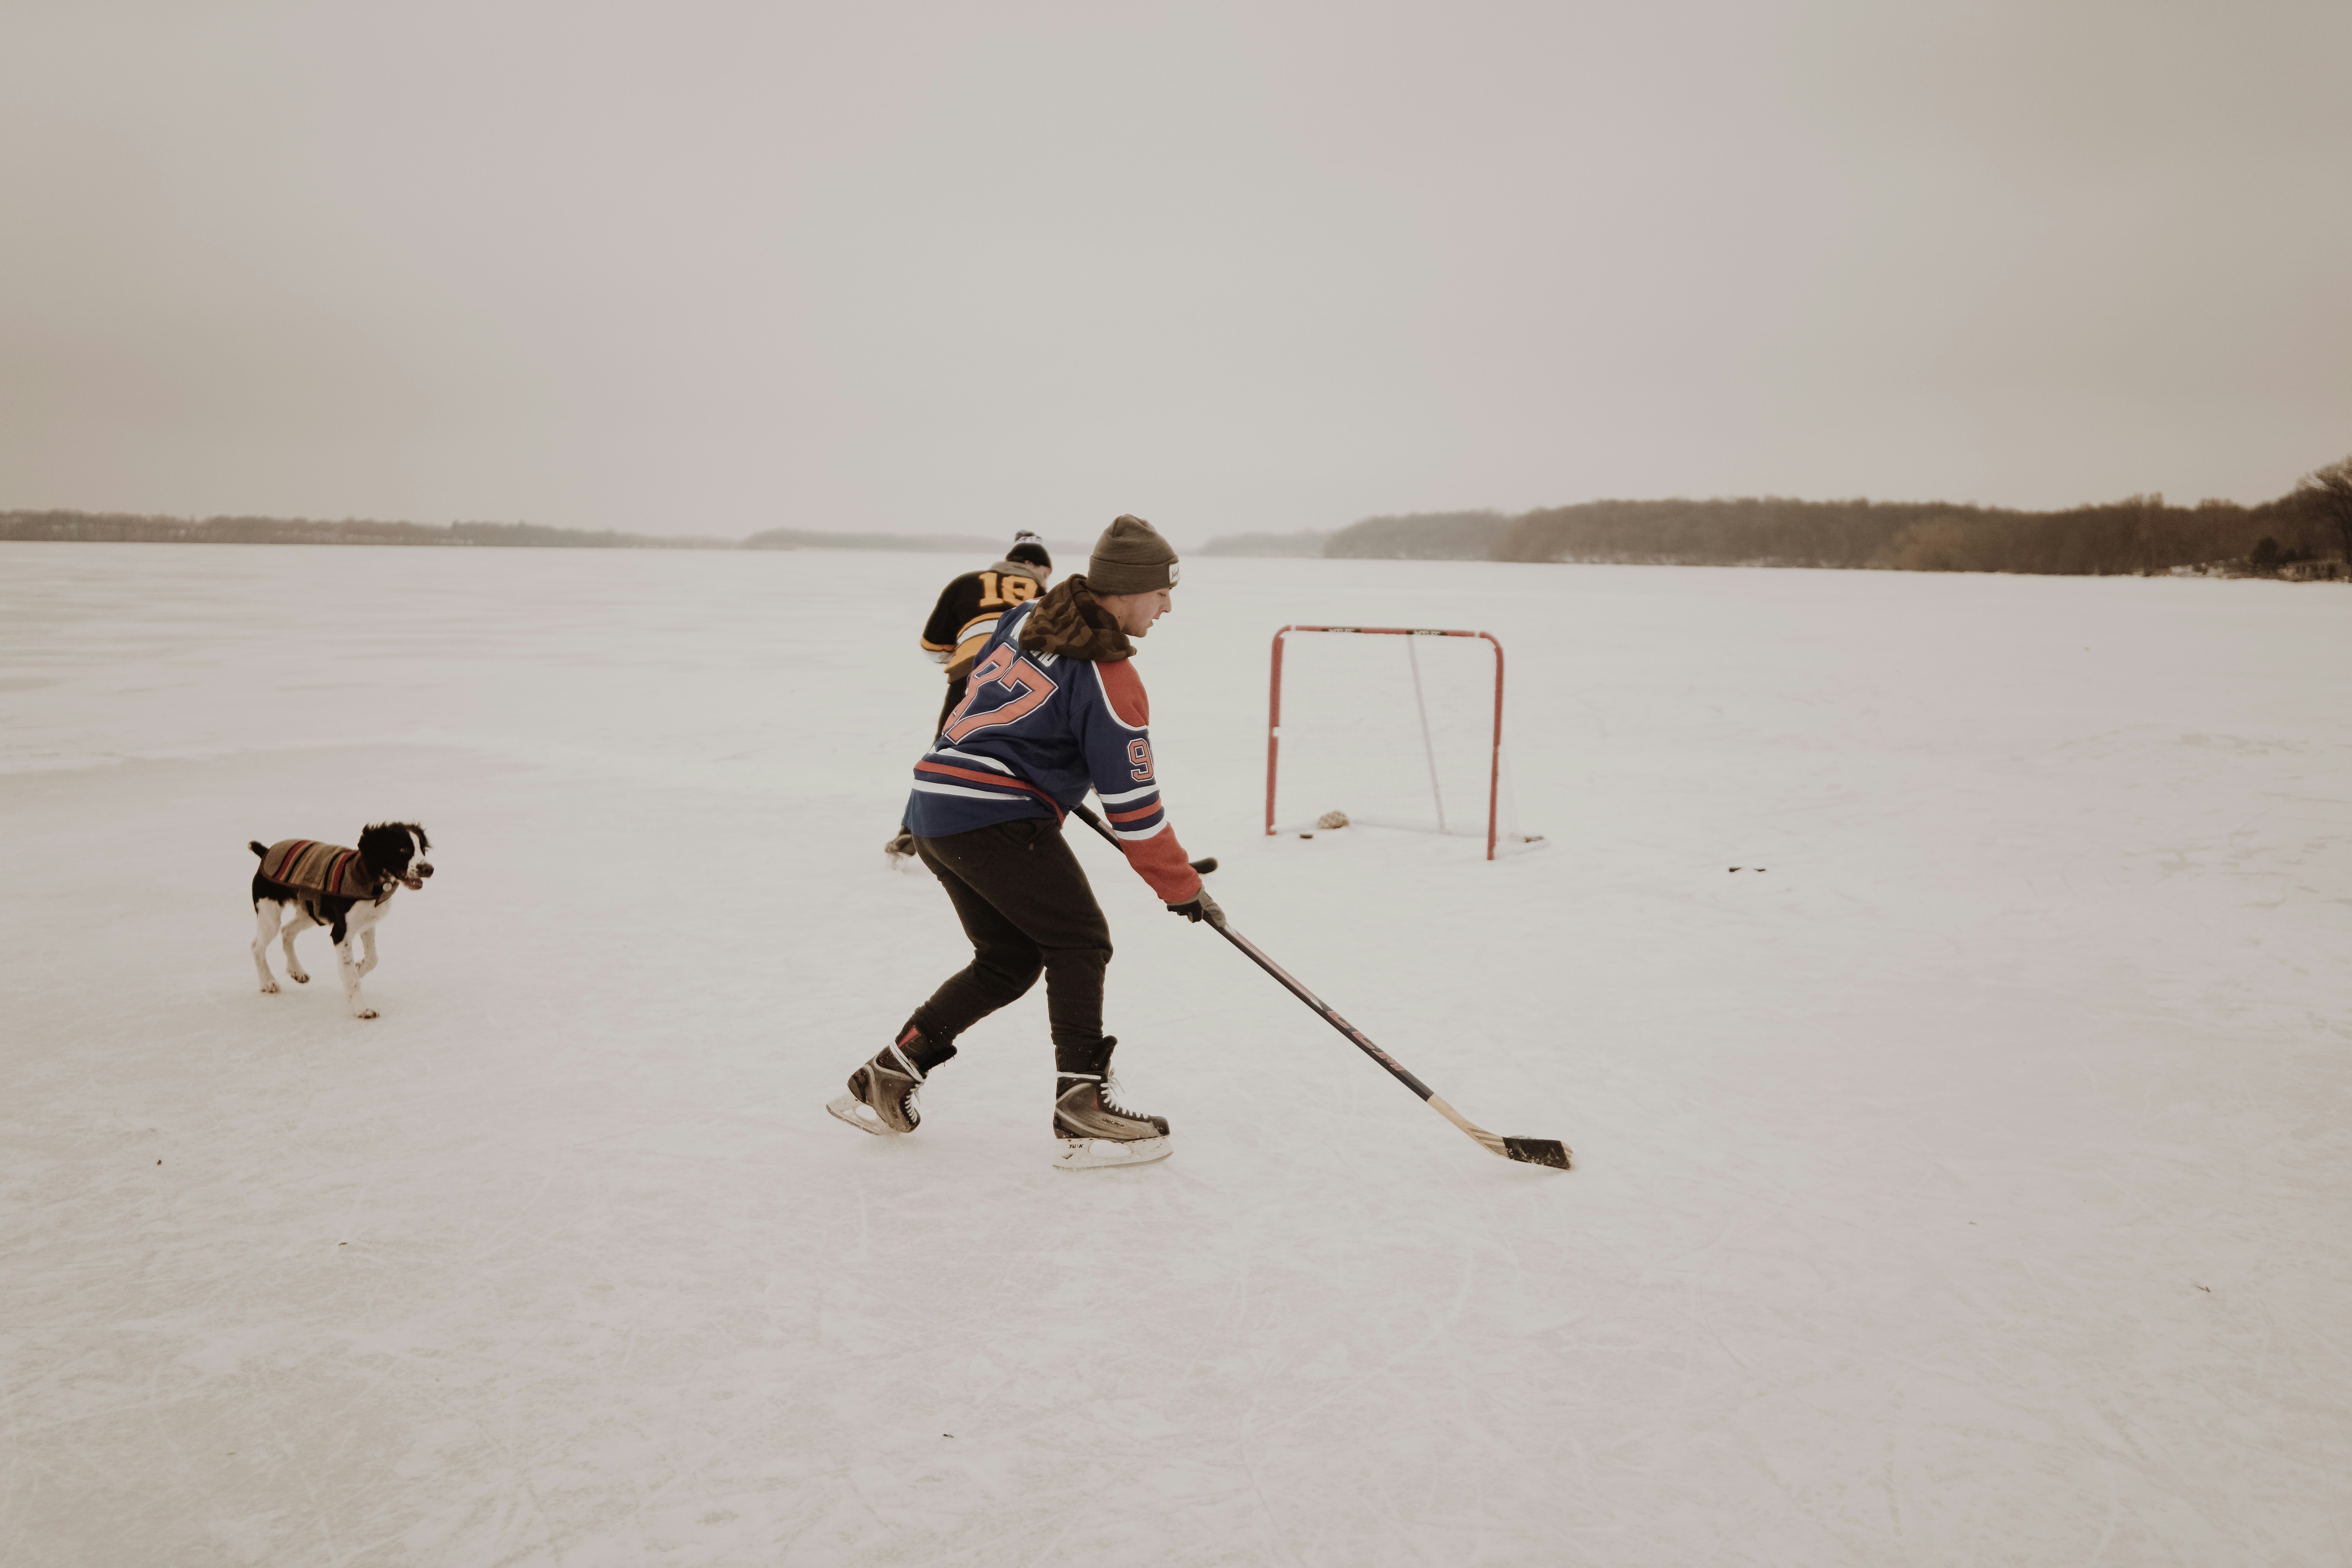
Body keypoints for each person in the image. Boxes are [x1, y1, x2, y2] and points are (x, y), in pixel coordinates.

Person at [831, 515, 1225, 1170]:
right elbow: (1135, 809)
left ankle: (888, 1075)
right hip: (995, 817)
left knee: (1008, 960)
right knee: (1081, 941)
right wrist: (1183, 889)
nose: (1168, 606)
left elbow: (969, 699)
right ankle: (1083, 1107)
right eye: (1161, 592)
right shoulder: (1110, 678)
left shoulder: (1028, 619)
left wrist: (1039, 773)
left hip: (936, 808)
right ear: (1126, 591)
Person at [884, 531, 1054, 862]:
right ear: (1033, 566)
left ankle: (911, 829)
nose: (1046, 579)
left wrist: (965, 656)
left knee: (945, 750)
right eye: (1046, 572)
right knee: (1028, 750)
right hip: (1030, 680)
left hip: (972, 674)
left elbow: (932, 647)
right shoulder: (1043, 593)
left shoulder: (965, 583)